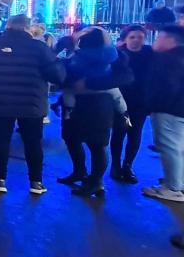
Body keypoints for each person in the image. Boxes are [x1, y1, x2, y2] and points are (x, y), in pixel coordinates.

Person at [0, 13, 64, 194]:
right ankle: (36, 182)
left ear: (7, 26)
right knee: (33, 143)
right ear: (27, 28)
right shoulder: (39, 48)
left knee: (1, 141)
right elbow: (57, 76)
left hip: (0, 102)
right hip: (32, 104)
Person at [57, 28, 133, 198]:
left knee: (92, 144)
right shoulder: (115, 55)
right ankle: (85, 174)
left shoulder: (80, 57)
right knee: (83, 142)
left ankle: (94, 181)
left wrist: (89, 83)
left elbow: (125, 77)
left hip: (88, 103)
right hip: (96, 103)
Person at [142, 24, 184, 203]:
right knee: (177, 147)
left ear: (169, 40)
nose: (155, 40)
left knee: (169, 147)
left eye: (159, 37)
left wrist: (149, 104)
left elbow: (165, 87)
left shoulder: (167, 60)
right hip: (177, 109)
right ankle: (176, 182)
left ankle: (173, 188)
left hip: (169, 109)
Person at [109, 25, 153, 184]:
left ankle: (127, 165)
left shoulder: (149, 53)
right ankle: (115, 164)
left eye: (140, 37)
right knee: (118, 134)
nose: (136, 40)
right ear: (125, 39)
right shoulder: (119, 55)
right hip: (121, 101)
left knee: (135, 135)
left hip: (141, 102)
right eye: (132, 37)